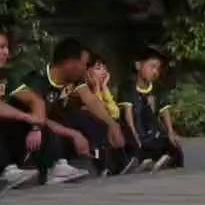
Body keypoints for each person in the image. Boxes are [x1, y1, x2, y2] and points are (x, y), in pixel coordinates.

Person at [5, 38, 124, 184]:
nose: (86, 69)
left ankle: (106, 163)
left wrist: (111, 124)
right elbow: (39, 117)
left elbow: (91, 100)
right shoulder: (37, 79)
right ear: (70, 64)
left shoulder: (74, 80)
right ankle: (50, 167)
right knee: (51, 124)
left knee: (87, 117)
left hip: (47, 124)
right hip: (25, 128)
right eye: (84, 64)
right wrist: (74, 134)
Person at [119, 48, 184, 172]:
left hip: (152, 134)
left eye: (157, 68)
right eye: (152, 67)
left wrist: (170, 131)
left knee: (174, 146)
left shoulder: (158, 88)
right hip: (137, 132)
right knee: (135, 146)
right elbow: (128, 117)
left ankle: (160, 160)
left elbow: (164, 111)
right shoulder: (128, 87)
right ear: (138, 65)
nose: (155, 72)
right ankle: (145, 160)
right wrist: (134, 137)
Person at [0, 31, 41, 190]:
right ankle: (8, 170)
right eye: (1, 47)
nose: (6, 52)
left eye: (7, 47)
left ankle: (32, 164)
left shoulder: (6, 76)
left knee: (26, 110)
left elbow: (35, 100)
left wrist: (36, 127)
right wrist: (26, 117)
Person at [84, 51, 129, 175]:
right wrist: (97, 88)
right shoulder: (83, 90)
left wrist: (103, 87)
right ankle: (104, 166)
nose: (103, 72)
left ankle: (123, 163)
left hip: (105, 124)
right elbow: (98, 110)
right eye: (98, 68)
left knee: (118, 122)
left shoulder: (103, 89)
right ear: (87, 71)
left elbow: (115, 113)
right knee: (104, 124)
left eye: (105, 68)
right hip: (91, 125)